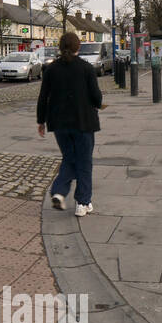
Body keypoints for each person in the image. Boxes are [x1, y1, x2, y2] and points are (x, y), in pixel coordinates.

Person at [35, 31, 104, 215]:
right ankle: (83, 202)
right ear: (78, 47)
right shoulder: (86, 68)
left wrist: (41, 121)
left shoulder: (51, 70)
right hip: (83, 122)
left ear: (60, 47)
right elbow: (96, 96)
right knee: (84, 162)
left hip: (59, 123)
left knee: (70, 158)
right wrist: (98, 104)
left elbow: (43, 98)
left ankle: (59, 191)